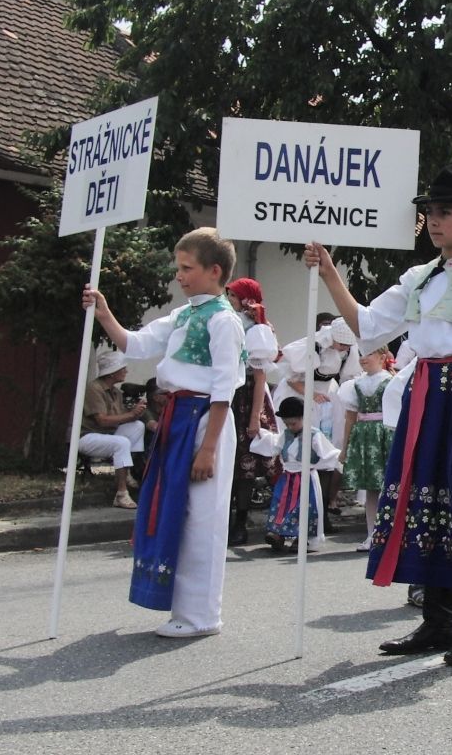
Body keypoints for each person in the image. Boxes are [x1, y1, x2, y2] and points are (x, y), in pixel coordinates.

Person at [305, 164, 452, 666]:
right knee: (429, 501)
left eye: (446, 212)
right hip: (426, 389)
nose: (434, 221)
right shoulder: (420, 277)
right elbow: (368, 325)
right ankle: (439, 621)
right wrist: (330, 271)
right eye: (430, 213)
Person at [82, 227, 245, 637]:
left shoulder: (224, 320)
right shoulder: (184, 314)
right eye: (179, 268)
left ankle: (202, 615)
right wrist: (103, 312)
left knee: (203, 517)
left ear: (214, 270)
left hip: (206, 418)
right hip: (178, 418)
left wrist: (208, 448)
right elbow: (134, 344)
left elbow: (225, 387)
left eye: (187, 268)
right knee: (175, 509)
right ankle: (182, 607)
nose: (180, 275)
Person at [224, 277, 281, 546]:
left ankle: (241, 522)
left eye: (233, 296)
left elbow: (259, 378)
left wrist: (254, 418)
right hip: (227, 393)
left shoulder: (257, 328)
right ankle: (225, 519)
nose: (229, 301)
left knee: (248, 465)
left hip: (247, 398)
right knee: (227, 464)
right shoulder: (227, 321)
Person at [251, 396, 338, 552]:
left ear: (304, 418)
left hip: (306, 478)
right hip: (287, 478)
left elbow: (328, 452)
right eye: (287, 424)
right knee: (281, 504)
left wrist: (341, 459)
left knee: (304, 507)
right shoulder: (286, 435)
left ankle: (305, 538)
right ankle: (279, 533)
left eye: (294, 423)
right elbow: (275, 445)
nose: (290, 427)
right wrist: (262, 438)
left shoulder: (314, 435)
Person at [340, 337, 396, 552]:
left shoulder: (392, 382)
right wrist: (345, 447)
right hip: (365, 436)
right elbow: (350, 417)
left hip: (386, 433)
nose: (363, 358)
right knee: (372, 487)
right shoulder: (355, 385)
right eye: (362, 354)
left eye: (369, 354)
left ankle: (392, 532)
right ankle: (372, 533)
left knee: (390, 486)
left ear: (382, 357)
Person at [78, 349, 146, 509]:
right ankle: (121, 494)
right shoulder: (94, 389)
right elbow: (101, 420)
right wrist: (131, 414)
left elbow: (121, 419)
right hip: (87, 436)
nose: (126, 371)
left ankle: (127, 471)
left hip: (106, 434)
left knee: (137, 426)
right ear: (112, 372)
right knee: (121, 443)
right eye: (123, 368)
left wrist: (135, 413)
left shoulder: (116, 392)